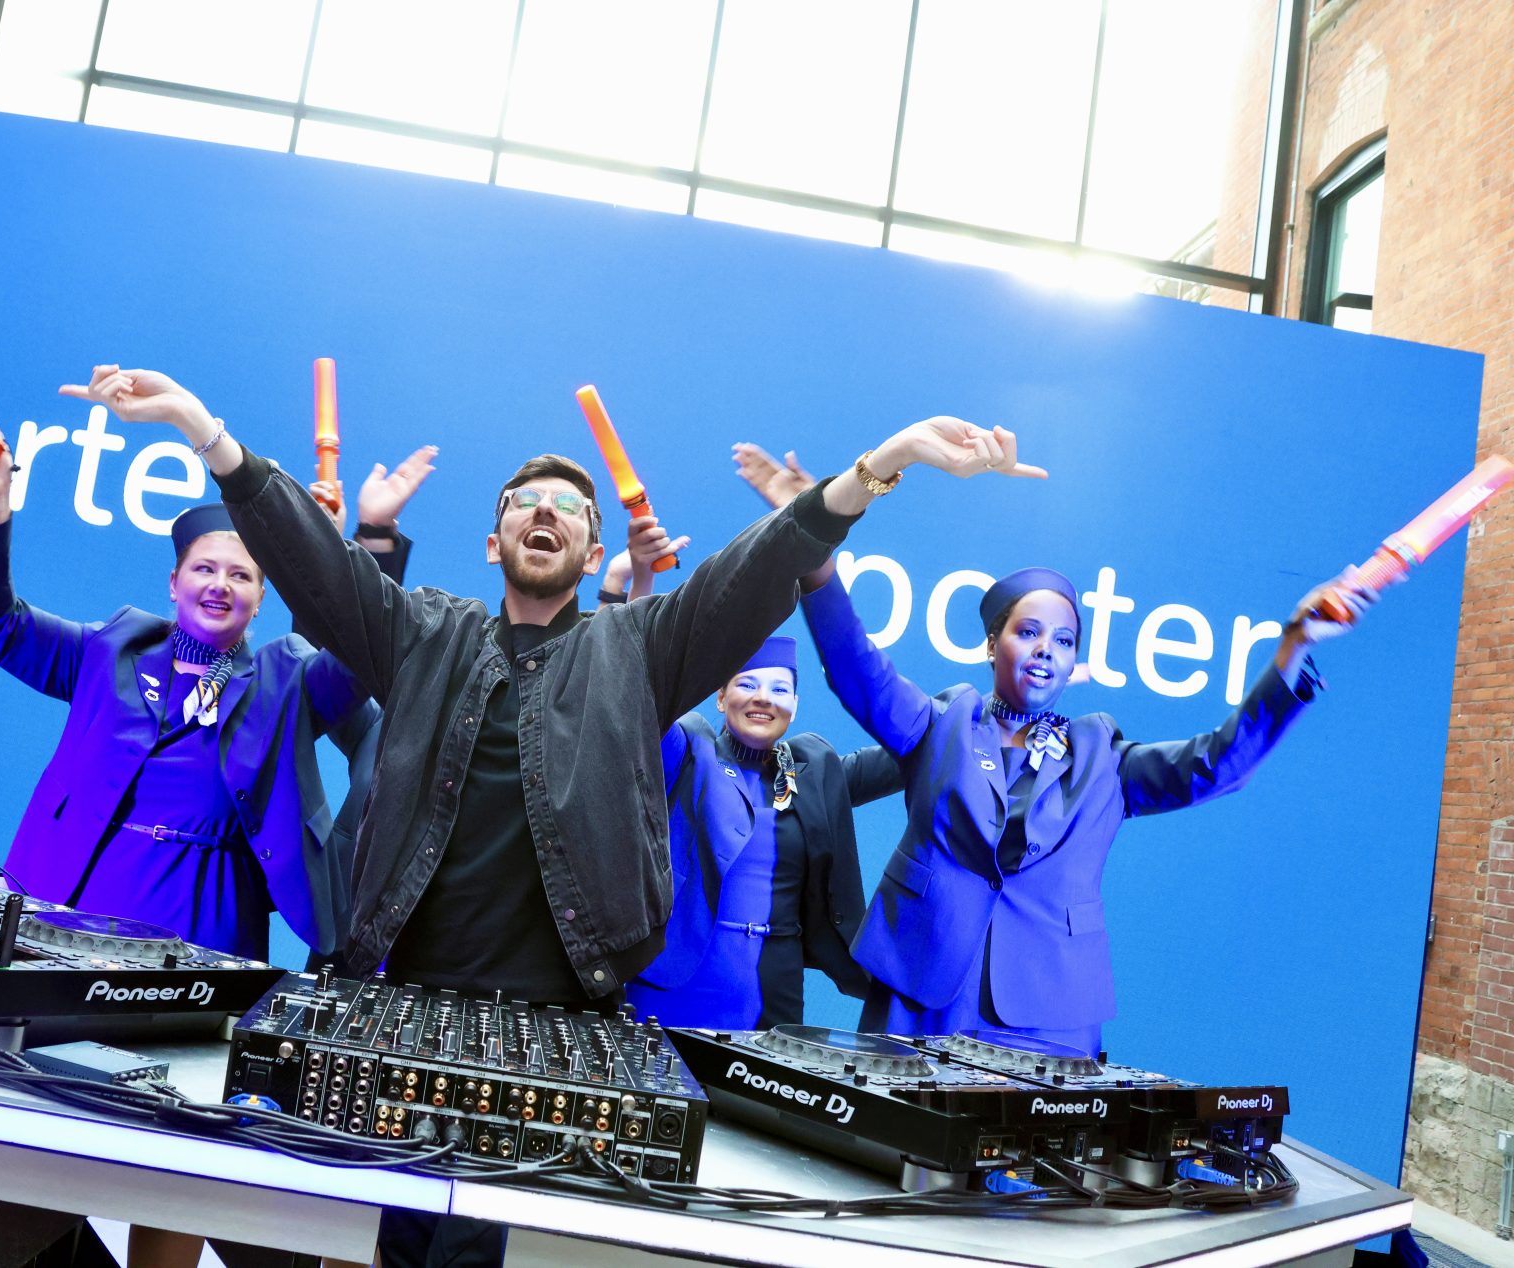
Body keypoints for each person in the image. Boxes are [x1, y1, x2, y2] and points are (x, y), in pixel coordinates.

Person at [58, 364, 1040, 1265]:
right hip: (399, 990)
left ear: (592, 546)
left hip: (566, 1013)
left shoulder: (640, 648)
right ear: (495, 540)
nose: (546, 512)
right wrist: (202, 428)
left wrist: (888, 460)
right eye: (524, 501)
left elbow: (759, 567)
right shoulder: (422, 630)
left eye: (569, 506)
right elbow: (314, 564)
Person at [732, 443, 1375, 1055]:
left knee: (1029, 1167)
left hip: (1049, 1007)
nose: (1046, 648)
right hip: (924, 993)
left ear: (1074, 664)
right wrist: (812, 543)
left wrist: (1294, 647)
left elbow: (1219, 764)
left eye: (1063, 641)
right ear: (993, 645)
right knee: (911, 1161)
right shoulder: (942, 724)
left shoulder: (1104, 757)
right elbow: (857, 670)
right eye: (1028, 631)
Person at [0, 409, 434, 962]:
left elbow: (358, 656)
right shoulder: (105, 650)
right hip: (66, 903)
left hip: (205, 922)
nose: (220, 586)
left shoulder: (286, 683)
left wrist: (372, 538)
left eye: (241, 576)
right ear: (174, 583)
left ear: (259, 604)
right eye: (205, 569)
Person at [597, 545, 899, 1031]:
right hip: (676, 984)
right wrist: (625, 590)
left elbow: (922, 746)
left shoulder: (815, 770)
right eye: (747, 684)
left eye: (780, 689)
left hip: (772, 997)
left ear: (795, 705)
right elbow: (630, 692)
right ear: (720, 696)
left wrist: (1012, 700)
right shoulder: (689, 751)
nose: (763, 699)